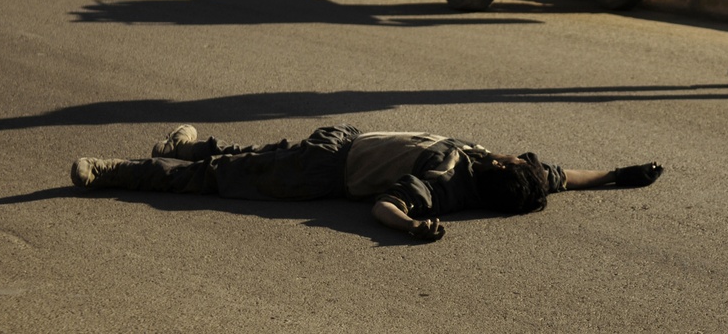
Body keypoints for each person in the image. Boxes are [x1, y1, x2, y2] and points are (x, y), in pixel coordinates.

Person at [71, 124, 664, 242]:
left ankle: (109, 172)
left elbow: (384, 204)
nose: (513, 156)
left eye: (513, 161)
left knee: (214, 181)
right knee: (248, 160)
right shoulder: (515, 176)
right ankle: (188, 146)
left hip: (326, 170)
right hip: (345, 140)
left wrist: (412, 226)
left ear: (501, 173)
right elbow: (566, 178)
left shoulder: (449, 180)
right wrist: (621, 176)